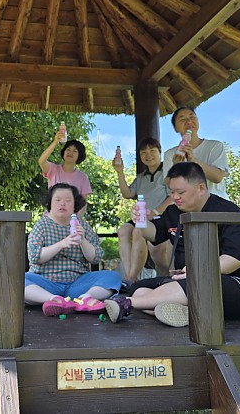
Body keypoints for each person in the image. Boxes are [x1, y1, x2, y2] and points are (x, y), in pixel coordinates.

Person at [104, 162, 240, 327]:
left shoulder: (229, 213)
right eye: (172, 192)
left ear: (201, 188)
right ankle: (184, 311)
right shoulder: (173, 212)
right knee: (139, 288)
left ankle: (128, 303)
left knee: (197, 284)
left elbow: (235, 258)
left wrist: (195, 271)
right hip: (186, 281)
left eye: (180, 192)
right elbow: (154, 233)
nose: (175, 197)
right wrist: (141, 221)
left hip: (238, 288)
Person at [25, 183, 122, 317]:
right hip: (46, 282)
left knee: (113, 277)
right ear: (50, 203)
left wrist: (83, 241)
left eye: (68, 200)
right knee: (19, 280)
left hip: (77, 283)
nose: (62, 204)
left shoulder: (82, 225)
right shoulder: (41, 225)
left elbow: (96, 257)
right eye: (58, 200)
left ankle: (84, 299)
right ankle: (55, 300)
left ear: (75, 204)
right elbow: (34, 257)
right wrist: (61, 244)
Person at [113, 137, 172, 281]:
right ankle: (130, 276)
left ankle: (133, 276)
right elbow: (127, 194)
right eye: (143, 152)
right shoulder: (141, 177)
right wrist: (120, 172)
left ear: (160, 152)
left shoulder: (168, 174)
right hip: (142, 217)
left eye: (152, 150)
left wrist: (155, 212)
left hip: (159, 218)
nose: (148, 155)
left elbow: (172, 198)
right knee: (123, 231)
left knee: (138, 230)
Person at [164, 106, 230, 199]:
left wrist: (193, 161)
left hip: (216, 203)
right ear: (175, 128)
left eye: (192, 117)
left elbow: (217, 177)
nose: (189, 121)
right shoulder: (170, 154)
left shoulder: (214, 146)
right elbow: (169, 185)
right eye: (182, 119)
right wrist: (176, 168)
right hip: (188, 205)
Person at [38, 129, 92, 207]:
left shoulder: (83, 177)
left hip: (72, 214)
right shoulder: (53, 169)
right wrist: (55, 142)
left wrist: (75, 215)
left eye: (74, 151)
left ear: (79, 156)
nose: (70, 153)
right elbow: (41, 161)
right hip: (52, 213)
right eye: (68, 149)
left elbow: (83, 204)